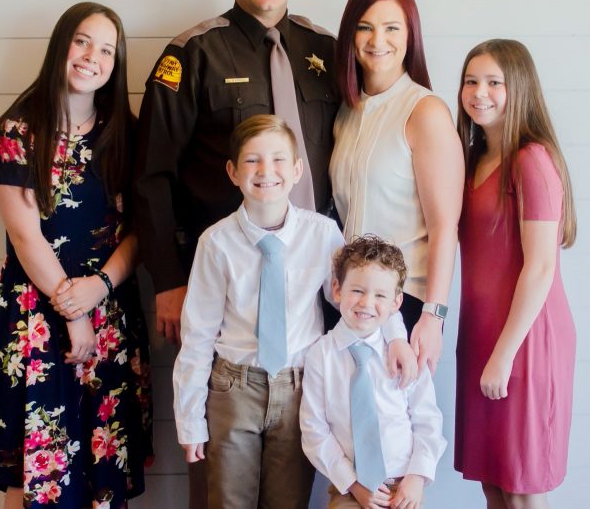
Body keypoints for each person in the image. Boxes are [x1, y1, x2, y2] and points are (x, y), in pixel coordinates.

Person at [173, 116, 414, 509]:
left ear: (298, 169)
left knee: (287, 501)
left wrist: (397, 337)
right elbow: (197, 335)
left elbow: (363, 296)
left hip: (299, 388)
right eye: (252, 161)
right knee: (228, 501)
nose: (266, 171)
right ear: (232, 172)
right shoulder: (216, 244)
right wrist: (189, 419)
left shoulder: (322, 234)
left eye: (279, 160)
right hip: (233, 388)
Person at [135, 0, 340, 347]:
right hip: (224, 275)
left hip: (318, 274)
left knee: (317, 408)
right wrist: (167, 280)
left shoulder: (328, 52)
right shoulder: (193, 53)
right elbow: (151, 176)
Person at [0, 2, 152, 509]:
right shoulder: (15, 133)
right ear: (61, 45)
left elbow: (142, 228)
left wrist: (99, 288)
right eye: (82, 41)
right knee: (34, 480)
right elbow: (26, 235)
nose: (91, 57)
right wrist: (72, 311)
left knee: (105, 475)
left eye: (106, 49)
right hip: (33, 319)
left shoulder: (126, 133)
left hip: (111, 319)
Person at [453, 39, 577, 508]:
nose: (479, 92)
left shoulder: (532, 161)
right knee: (494, 482)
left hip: (524, 339)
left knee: (522, 488)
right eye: (470, 81)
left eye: (493, 82)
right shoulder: (472, 158)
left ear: (518, 87)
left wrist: (505, 354)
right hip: (482, 335)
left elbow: (541, 266)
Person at [329, 0, 463, 373]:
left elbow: (445, 226)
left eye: (392, 28)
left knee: (401, 426)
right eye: (365, 27)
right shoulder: (347, 112)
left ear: (410, 37)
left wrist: (433, 317)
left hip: (405, 304)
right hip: (352, 302)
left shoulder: (425, 111)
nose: (378, 40)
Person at [301, 235, 446, 509]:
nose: (367, 303)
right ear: (337, 289)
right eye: (357, 290)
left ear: (396, 302)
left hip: (403, 484)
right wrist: (354, 485)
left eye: (380, 295)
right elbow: (314, 429)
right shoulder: (321, 355)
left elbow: (427, 419)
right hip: (350, 487)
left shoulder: (406, 356)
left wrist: (417, 477)